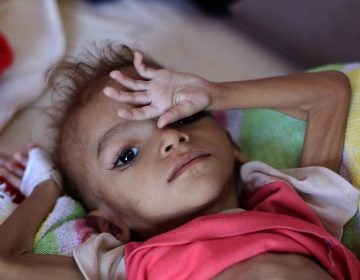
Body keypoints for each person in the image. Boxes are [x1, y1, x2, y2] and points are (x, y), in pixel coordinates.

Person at [0, 43, 359, 279]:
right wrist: (47, 185)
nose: (171, 137)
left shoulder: (292, 208)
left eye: (184, 118)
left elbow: (331, 93)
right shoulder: (130, 267)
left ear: (232, 144)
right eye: (127, 155)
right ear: (112, 225)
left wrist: (216, 94)